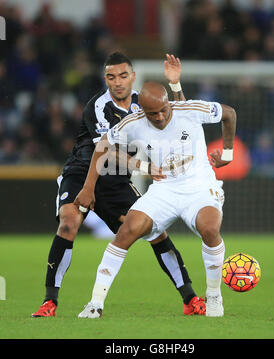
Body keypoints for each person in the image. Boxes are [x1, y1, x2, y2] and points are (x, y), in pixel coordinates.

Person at [32, 53, 206, 317]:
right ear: (106, 79)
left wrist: (175, 86)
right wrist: (89, 188)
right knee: (68, 223)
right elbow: (106, 151)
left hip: (116, 181)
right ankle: (49, 302)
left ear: (133, 77)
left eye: (123, 76)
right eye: (112, 77)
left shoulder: (144, 103)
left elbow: (182, 118)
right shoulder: (98, 106)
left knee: (155, 232)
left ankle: (190, 299)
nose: (118, 82)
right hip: (82, 172)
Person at [75, 81, 236, 318]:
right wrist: (89, 188)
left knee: (210, 229)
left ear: (168, 103)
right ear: (142, 110)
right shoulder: (133, 122)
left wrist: (228, 153)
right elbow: (103, 146)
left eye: (163, 110)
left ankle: (213, 295)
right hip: (165, 189)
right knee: (126, 231)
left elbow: (229, 114)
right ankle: (95, 303)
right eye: (153, 113)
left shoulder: (189, 110)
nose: (160, 117)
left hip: (199, 186)